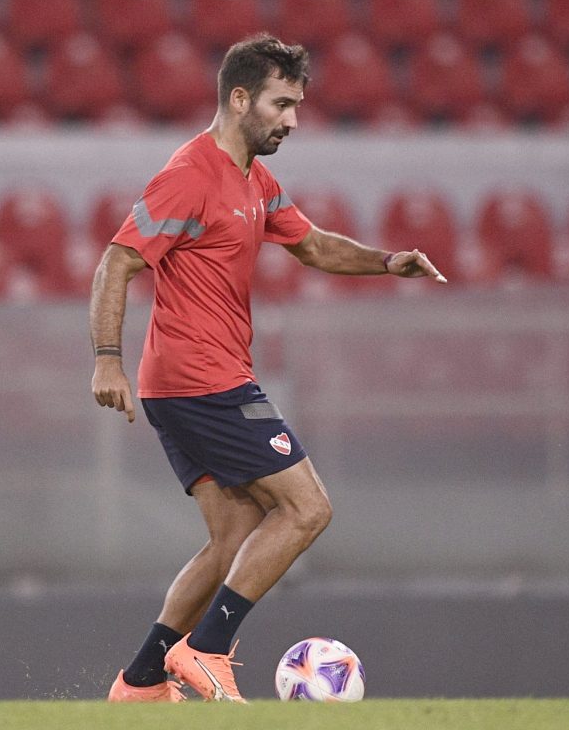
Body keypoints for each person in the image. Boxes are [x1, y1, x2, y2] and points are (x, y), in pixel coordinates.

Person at [90, 34, 447, 704]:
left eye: (297, 106)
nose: (292, 120)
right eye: (282, 104)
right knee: (308, 508)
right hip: (206, 380)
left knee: (233, 543)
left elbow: (312, 245)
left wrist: (386, 260)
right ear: (239, 97)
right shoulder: (190, 175)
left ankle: (140, 682)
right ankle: (209, 648)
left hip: (185, 383)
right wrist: (105, 359)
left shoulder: (256, 179)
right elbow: (118, 260)